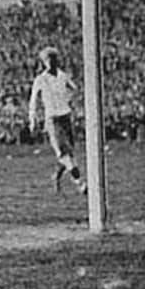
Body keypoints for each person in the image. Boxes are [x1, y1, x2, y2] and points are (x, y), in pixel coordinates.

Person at [28, 46, 87, 195]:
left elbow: (75, 89)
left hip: (65, 115)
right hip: (52, 118)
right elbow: (33, 100)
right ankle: (79, 182)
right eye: (48, 60)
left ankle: (57, 176)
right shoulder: (41, 79)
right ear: (44, 62)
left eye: (53, 59)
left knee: (69, 152)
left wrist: (70, 99)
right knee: (63, 152)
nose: (51, 63)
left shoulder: (63, 76)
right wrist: (32, 120)